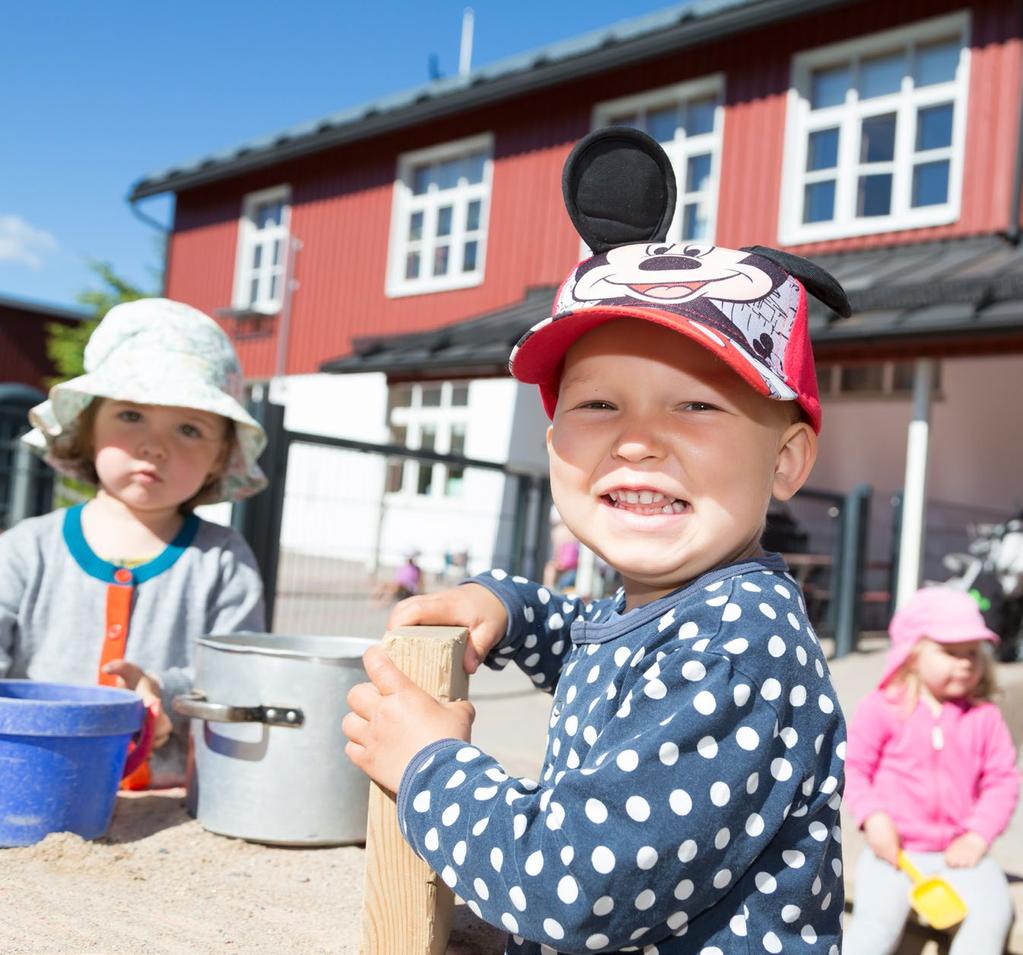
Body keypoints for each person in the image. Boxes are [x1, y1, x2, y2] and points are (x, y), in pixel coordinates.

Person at [343, 130, 850, 955]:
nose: (638, 441)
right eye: (599, 406)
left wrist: (430, 763)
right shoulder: (680, 605)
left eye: (694, 406)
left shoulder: (735, 647)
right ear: (553, 448)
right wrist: (506, 606)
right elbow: (596, 641)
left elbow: (566, 888)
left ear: (784, 459)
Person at [0, 298, 268, 786]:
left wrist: (167, 695)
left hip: (166, 795)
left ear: (220, 457)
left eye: (189, 428)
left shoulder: (224, 562)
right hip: (30, 779)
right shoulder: (26, 550)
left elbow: (241, 673)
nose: (155, 446)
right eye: (130, 415)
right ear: (87, 427)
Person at [842, 586, 1019, 955]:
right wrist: (874, 818)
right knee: (876, 923)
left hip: (960, 851)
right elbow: (854, 768)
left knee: (993, 912)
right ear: (912, 654)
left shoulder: (984, 718)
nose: (966, 663)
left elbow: (1003, 781)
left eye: (972, 653)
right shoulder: (883, 709)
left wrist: (977, 836)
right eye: (951, 653)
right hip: (895, 853)